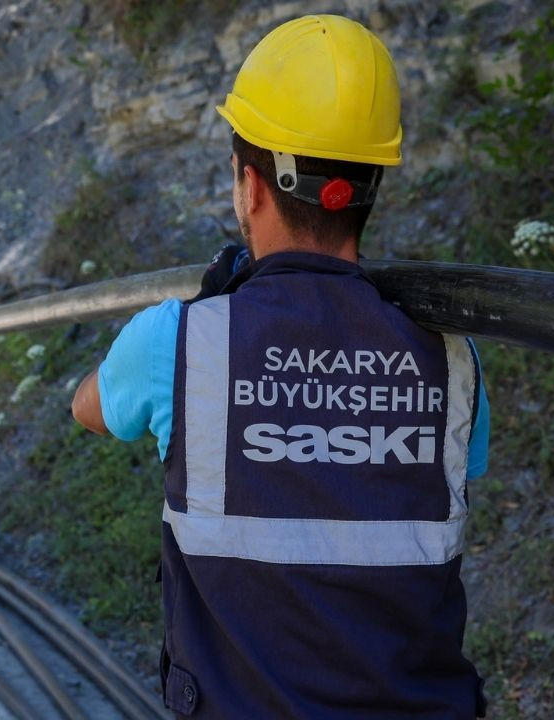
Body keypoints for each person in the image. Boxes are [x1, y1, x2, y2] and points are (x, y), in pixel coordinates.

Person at [71, 15, 491, 719]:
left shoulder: (177, 341)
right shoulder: (452, 358)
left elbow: (90, 409)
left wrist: (205, 314)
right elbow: (446, 469)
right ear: (370, 185)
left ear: (252, 186)